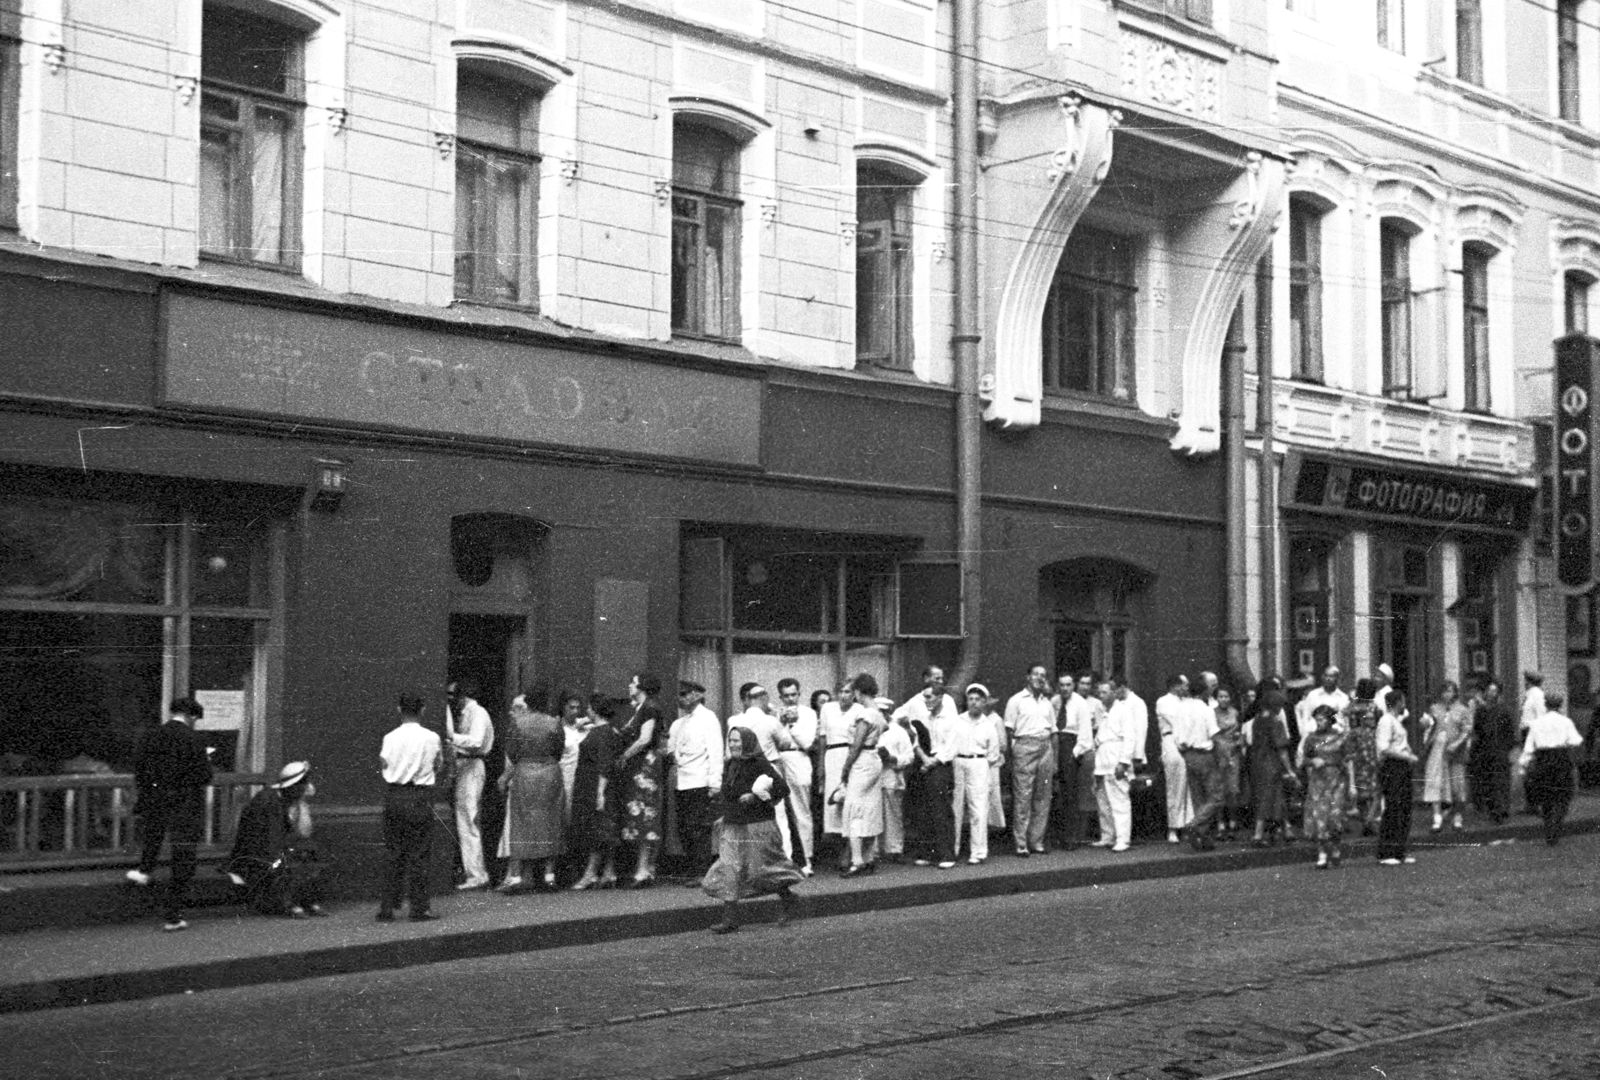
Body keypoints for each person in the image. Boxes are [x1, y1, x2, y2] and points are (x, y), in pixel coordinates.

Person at [701, 727, 803, 934]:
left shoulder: (759, 763)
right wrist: (723, 813)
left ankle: (788, 897)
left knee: (760, 869)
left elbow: (782, 788)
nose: (733, 745)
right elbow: (727, 794)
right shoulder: (730, 764)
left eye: (738, 741)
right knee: (730, 869)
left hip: (757, 824)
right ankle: (730, 919)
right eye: (731, 740)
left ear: (747, 742)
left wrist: (755, 796)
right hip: (733, 824)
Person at [127, 696, 215, 932]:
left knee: (153, 837)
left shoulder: (151, 735)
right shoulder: (194, 739)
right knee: (183, 857)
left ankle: (144, 870)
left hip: (155, 800)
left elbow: (140, 769)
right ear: (192, 716)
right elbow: (205, 775)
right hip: (184, 804)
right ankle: (173, 915)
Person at [226, 760, 327, 918]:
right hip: (254, 853)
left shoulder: (289, 802)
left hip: (274, 846)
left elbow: (301, 832)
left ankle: (306, 900)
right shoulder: (268, 801)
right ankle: (288, 903)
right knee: (289, 859)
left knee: (309, 855)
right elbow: (269, 839)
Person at [377, 691, 443, 922]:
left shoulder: (389, 737)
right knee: (419, 853)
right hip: (420, 796)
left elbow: (384, 762)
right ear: (422, 709)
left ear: (399, 710)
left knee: (393, 852)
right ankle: (419, 907)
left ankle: (388, 906)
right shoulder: (432, 737)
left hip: (395, 795)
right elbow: (438, 764)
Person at [495, 688, 566, 892]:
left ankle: (516, 877)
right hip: (550, 772)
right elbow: (558, 750)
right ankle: (548, 876)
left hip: (525, 772)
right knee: (551, 822)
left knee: (520, 822)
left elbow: (513, 752)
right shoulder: (554, 723)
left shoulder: (518, 723)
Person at [616, 673, 668, 888]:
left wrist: (624, 756)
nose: (630, 685)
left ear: (642, 687)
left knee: (645, 813)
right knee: (641, 813)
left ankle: (644, 869)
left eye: (633, 682)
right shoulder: (641, 708)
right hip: (640, 766)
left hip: (644, 767)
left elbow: (645, 739)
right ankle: (646, 867)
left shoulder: (649, 707)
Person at [834, 673, 889, 876]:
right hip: (874, 759)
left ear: (857, 692)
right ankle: (868, 857)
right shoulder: (878, 713)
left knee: (854, 808)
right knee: (871, 807)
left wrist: (845, 768)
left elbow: (856, 744)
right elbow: (885, 728)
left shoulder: (865, 714)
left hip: (862, 760)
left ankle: (857, 860)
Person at [669, 681, 723, 880]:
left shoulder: (708, 718)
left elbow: (715, 751)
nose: (680, 698)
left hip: (700, 780)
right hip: (682, 780)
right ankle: (692, 868)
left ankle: (701, 871)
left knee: (698, 828)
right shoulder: (681, 722)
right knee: (684, 827)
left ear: (697, 695)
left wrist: (715, 783)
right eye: (680, 694)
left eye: (684, 694)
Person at [446, 678, 494, 892]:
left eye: (451, 696)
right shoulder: (468, 713)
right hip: (466, 765)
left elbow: (475, 741)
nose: (449, 700)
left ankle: (476, 874)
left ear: (461, 696)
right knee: (466, 818)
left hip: (472, 765)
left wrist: (451, 737)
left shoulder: (477, 713)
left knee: (468, 818)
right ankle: (474, 871)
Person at [1003, 664, 1057, 856]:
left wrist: (1054, 757)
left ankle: (1036, 841)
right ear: (1028, 677)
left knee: (1042, 796)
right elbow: (1008, 731)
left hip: (1045, 747)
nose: (1040, 678)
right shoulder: (1016, 701)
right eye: (1036, 674)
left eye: (1043, 675)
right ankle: (1021, 843)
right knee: (1023, 796)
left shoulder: (1046, 703)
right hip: (1024, 747)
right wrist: (1011, 756)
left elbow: (1053, 731)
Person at [1520, 691, 1584, 845]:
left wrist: (1523, 766)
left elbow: (1529, 747)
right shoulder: (1566, 722)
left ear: (1546, 705)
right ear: (1560, 706)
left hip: (1543, 760)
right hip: (1561, 760)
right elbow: (1576, 740)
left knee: (1546, 797)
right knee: (1563, 796)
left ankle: (1549, 829)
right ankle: (1557, 825)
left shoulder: (1536, 723)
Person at [905, 689, 958, 869]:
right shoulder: (925, 719)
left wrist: (931, 762)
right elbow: (916, 742)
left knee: (941, 809)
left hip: (941, 766)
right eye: (924, 697)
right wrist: (924, 758)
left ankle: (946, 855)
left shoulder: (951, 719)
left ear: (941, 698)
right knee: (924, 809)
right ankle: (927, 853)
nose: (926, 700)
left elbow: (951, 747)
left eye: (929, 697)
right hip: (926, 764)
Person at [570, 696, 619, 890]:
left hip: (595, 784)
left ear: (595, 710)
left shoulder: (602, 732)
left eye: (589, 707)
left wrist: (600, 792)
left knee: (597, 830)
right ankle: (608, 872)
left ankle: (590, 874)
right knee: (602, 829)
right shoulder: (604, 730)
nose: (586, 710)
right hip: (592, 783)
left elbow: (605, 764)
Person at [1298, 705, 1355, 869]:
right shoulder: (1311, 739)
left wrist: (1352, 784)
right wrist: (1312, 761)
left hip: (1337, 780)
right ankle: (1322, 853)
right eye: (1316, 719)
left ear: (1330, 720)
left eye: (1322, 719)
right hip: (1318, 782)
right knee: (1319, 817)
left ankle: (1336, 848)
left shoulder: (1341, 737)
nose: (1319, 722)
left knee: (1335, 817)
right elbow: (1303, 760)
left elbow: (1349, 760)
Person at [773, 678, 818, 874]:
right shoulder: (774, 714)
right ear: (780, 696)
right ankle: (786, 858)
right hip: (778, 758)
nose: (790, 699)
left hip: (799, 757)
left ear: (799, 694)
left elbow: (808, 742)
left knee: (801, 810)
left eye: (793, 694)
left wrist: (792, 725)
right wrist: (780, 722)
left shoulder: (808, 713)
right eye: (786, 696)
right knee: (779, 812)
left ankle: (807, 859)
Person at [1172, 678, 1223, 852]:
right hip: (1204, 754)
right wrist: (1224, 756)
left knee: (1198, 797)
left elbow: (1176, 737)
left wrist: (1184, 753)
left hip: (1188, 755)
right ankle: (1195, 825)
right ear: (1204, 692)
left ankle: (1203, 838)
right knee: (1216, 796)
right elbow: (1215, 736)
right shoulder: (1206, 710)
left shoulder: (1180, 709)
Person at [1246, 679, 1297, 848]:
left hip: (1257, 761)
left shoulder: (1257, 719)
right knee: (1270, 798)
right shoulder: (1276, 722)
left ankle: (1285, 829)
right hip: (1272, 763)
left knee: (1271, 796)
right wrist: (1290, 769)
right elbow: (1281, 749)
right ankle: (1258, 834)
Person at [953, 683, 1000, 863]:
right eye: (971, 699)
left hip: (979, 763)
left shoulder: (988, 725)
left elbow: (994, 754)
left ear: (984, 702)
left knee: (978, 809)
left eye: (978, 699)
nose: (974, 703)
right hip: (958, 762)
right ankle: (954, 849)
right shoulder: (957, 721)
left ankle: (978, 852)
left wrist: (980, 764)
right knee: (956, 807)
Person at [1089, 679, 1135, 853]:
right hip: (1103, 760)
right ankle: (1108, 836)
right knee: (1103, 801)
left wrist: (1124, 762)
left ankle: (1123, 838)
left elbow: (1130, 737)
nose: (1101, 696)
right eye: (1099, 692)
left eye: (1105, 692)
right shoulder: (1104, 712)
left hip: (1116, 759)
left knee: (1119, 800)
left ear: (1114, 692)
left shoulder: (1123, 710)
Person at [1375, 689, 1419, 866]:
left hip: (1402, 767)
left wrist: (1409, 753)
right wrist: (1406, 756)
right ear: (1397, 702)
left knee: (1404, 808)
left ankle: (1399, 851)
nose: (1405, 705)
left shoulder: (1397, 721)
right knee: (1393, 807)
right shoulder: (1386, 721)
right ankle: (1386, 852)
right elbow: (1384, 748)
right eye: (1403, 701)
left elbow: (1401, 743)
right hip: (1392, 767)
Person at [1422, 681, 1472, 833]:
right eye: (1445, 691)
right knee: (1439, 785)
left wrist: (1456, 744)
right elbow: (1429, 729)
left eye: (1450, 691)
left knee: (1457, 786)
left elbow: (1467, 730)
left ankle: (1458, 817)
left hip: (1456, 753)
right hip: (1439, 753)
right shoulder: (1435, 708)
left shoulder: (1462, 710)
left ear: (1455, 693)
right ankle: (1438, 817)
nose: (1447, 694)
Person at [816, 685, 856, 872]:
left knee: (849, 801)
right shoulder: (827, 709)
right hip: (832, 756)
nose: (843, 695)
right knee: (833, 803)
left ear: (855, 694)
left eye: (848, 692)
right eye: (840, 691)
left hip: (851, 755)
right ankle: (839, 850)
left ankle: (849, 852)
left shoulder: (859, 710)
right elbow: (823, 739)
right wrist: (821, 768)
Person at [1155, 674, 1194, 844]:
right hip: (1171, 741)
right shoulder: (1163, 701)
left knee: (1189, 787)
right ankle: (1173, 828)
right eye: (1184, 685)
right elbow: (1177, 721)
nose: (1187, 688)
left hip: (1188, 742)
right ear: (1175, 686)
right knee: (1174, 786)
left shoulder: (1187, 701)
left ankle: (1187, 826)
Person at [1472, 678, 1516, 824]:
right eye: (1489, 690)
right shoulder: (1481, 711)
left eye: (1495, 691)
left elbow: (1510, 732)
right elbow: (1477, 730)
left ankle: (1501, 809)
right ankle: (1492, 809)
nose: (1492, 693)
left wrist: (1507, 748)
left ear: (1498, 693)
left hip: (1500, 751)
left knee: (1501, 781)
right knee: (1489, 781)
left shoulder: (1504, 711)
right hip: (1485, 750)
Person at [1342, 679, 1383, 836]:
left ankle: (1365, 818)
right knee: (1375, 790)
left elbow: (1344, 720)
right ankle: (1369, 821)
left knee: (1360, 790)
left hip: (1355, 746)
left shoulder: (1350, 707)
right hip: (1370, 745)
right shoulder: (1374, 708)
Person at [878, 706, 916, 862]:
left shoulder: (898, 731)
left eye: (883, 713)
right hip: (871, 778)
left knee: (893, 814)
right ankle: (873, 851)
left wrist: (893, 759)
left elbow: (909, 756)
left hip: (892, 776)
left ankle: (894, 849)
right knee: (872, 815)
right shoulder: (870, 729)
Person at [1212, 686, 1245, 838]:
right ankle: (1220, 824)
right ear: (1216, 698)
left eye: (1226, 696)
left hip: (1233, 753)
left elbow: (1241, 731)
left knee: (1233, 790)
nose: (1224, 699)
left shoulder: (1235, 712)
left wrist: (1239, 741)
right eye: (1221, 696)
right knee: (1220, 789)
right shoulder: (1212, 713)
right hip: (1218, 753)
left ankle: (1233, 822)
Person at [1296, 667, 1350, 736]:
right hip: (1314, 735)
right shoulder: (1313, 695)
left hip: (1335, 737)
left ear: (1337, 678)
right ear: (1322, 677)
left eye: (1331, 676)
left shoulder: (1343, 698)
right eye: (1326, 676)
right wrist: (1304, 735)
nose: (1328, 679)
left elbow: (1345, 720)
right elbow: (1306, 716)